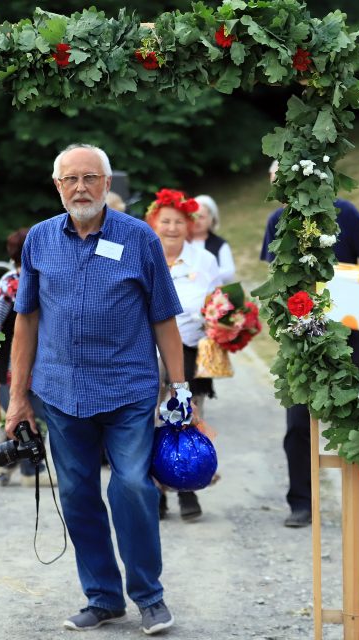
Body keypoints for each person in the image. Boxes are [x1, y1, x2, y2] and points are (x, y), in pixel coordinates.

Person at [6, 143, 186, 635]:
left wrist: (181, 386)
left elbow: (164, 318)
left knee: (131, 485)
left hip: (128, 388)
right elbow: (25, 322)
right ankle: (103, 597)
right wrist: (18, 396)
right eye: (71, 179)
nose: (80, 187)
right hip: (61, 392)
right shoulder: (39, 240)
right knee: (77, 492)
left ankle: (149, 597)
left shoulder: (140, 238)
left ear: (108, 184)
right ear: (57, 186)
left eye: (90, 178)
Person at [262, 160, 359, 528]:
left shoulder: (344, 213)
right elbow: (276, 279)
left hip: (348, 333)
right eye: (272, 185)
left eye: (281, 182)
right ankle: (301, 502)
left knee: (356, 410)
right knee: (298, 423)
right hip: (301, 338)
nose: (277, 191)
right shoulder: (277, 222)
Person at [146, 188, 220, 522]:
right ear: (154, 223)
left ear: (189, 225)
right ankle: (157, 492)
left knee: (189, 417)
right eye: (166, 221)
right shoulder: (144, 254)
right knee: (151, 421)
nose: (172, 228)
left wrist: (225, 323)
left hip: (190, 350)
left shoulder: (205, 259)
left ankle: (188, 489)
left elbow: (219, 303)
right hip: (147, 351)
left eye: (179, 222)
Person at [0, 228, 47, 485]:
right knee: (29, 417)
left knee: (20, 416)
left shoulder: (8, 283)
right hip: (28, 362)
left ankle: (4, 465)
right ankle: (31, 471)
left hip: (12, 363)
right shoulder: (37, 280)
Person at [191, 194, 236, 285]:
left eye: (201, 217)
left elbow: (229, 271)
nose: (197, 221)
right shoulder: (182, 242)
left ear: (211, 220)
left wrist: (204, 274)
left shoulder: (220, 244)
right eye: (194, 216)